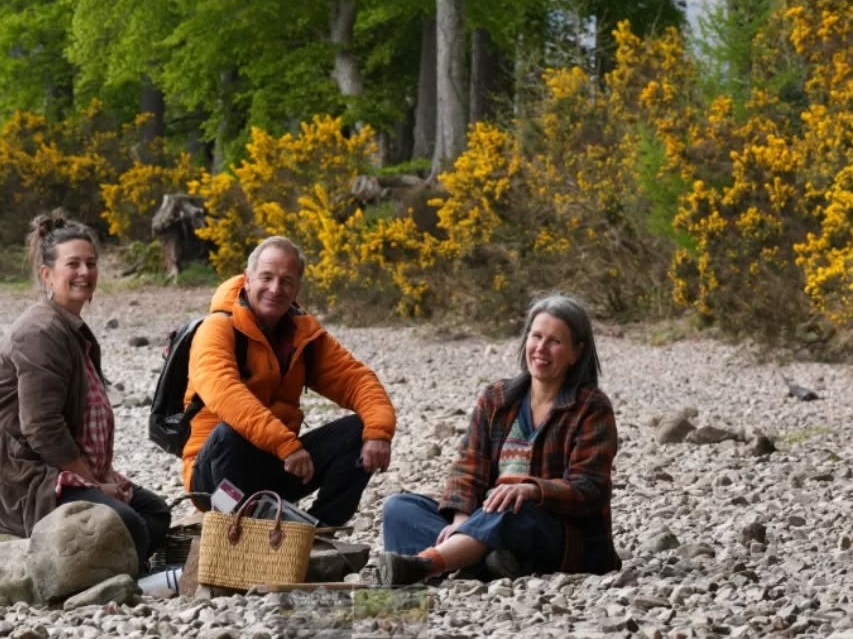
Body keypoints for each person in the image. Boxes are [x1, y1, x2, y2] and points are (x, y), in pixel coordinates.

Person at [0, 210, 170, 580]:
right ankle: (79, 574)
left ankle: (104, 567)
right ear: (47, 274)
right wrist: (95, 484)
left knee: (154, 513)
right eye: (73, 264)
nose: (84, 272)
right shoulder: (40, 331)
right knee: (127, 524)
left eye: (91, 263)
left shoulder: (68, 327)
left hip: (45, 464)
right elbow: (43, 428)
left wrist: (102, 479)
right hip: (10, 475)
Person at [376, 293, 621, 584]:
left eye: (555, 341)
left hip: (558, 534)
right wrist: (461, 521)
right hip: (489, 519)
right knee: (399, 508)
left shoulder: (591, 407)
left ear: (576, 353)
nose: (541, 348)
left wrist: (531, 491)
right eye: (536, 336)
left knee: (511, 508)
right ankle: (483, 560)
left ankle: (428, 564)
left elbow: (589, 488)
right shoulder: (497, 398)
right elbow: (468, 466)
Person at [182, 235, 396, 527]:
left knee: (360, 430)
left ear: (297, 289)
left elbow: (356, 380)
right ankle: (235, 525)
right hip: (214, 478)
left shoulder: (303, 335)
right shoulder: (217, 328)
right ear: (247, 280)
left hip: (279, 465)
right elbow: (226, 394)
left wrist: (379, 432)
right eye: (266, 277)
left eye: (286, 281)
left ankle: (319, 530)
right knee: (232, 430)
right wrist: (287, 445)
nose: (275, 288)